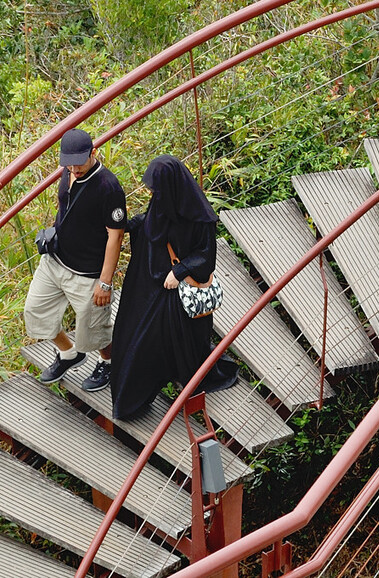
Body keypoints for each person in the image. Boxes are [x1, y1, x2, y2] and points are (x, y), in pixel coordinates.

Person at [109, 154, 237, 420]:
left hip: (175, 291)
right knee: (132, 334)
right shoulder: (164, 201)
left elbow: (205, 256)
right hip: (150, 282)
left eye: (156, 188)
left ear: (170, 187)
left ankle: (133, 402)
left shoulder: (200, 219)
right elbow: (152, 226)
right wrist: (126, 225)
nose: (152, 193)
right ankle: (129, 402)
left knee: (148, 341)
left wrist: (179, 271)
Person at [24, 128, 126, 391]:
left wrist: (104, 282)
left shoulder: (108, 187)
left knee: (95, 330)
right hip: (55, 261)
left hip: (87, 273)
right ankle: (70, 353)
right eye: (68, 162)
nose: (74, 168)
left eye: (79, 162)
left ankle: (109, 362)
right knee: (36, 312)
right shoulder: (67, 170)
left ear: (93, 153)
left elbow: (115, 237)